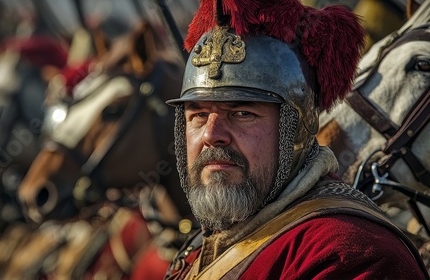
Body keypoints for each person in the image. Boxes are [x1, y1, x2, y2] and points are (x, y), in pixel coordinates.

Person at [163, 0, 429, 279]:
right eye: (199, 115)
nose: (211, 135)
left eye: (243, 113)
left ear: (300, 125)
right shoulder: (203, 244)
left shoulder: (350, 254)